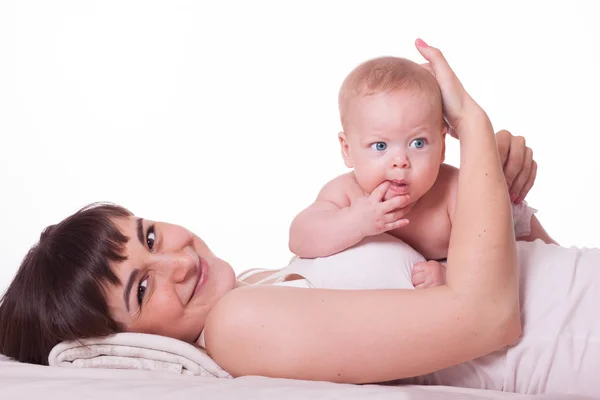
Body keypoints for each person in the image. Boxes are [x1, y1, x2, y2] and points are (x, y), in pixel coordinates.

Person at [1, 40, 597, 396]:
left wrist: (502, 195)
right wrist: (470, 128)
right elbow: (489, 319)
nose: (179, 259)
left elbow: (527, 273)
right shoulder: (240, 326)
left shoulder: (267, 284)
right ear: (119, 347)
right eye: (143, 286)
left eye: (150, 236)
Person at [288, 56, 555, 286]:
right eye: (380, 145)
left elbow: (493, 260)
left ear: (441, 147)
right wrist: (355, 222)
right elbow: (300, 238)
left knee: (548, 261)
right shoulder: (346, 194)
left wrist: (449, 274)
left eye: (418, 143)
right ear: (347, 150)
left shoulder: (455, 193)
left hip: (510, 232)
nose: (401, 161)